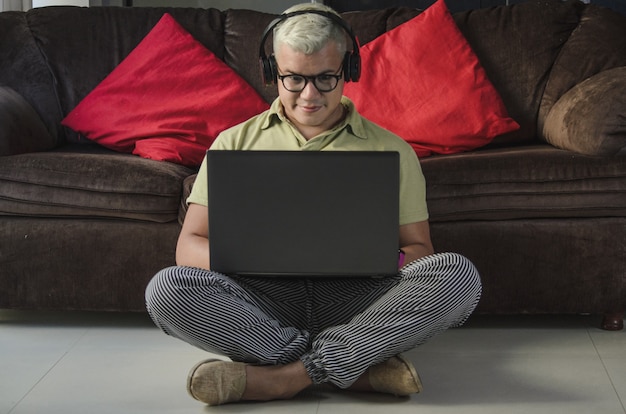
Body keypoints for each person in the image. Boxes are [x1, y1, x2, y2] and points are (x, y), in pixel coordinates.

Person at [145, 2, 481, 406]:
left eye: (325, 78)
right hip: (263, 300)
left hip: (358, 298)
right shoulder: (233, 143)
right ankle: (353, 366)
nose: (310, 95)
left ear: (348, 72)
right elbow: (189, 245)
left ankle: (286, 377)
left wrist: (377, 259)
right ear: (273, 73)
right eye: (294, 79)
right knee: (166, 289)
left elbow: (421, 250)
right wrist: (249, 257)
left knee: (457, 274)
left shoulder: (392, 150)